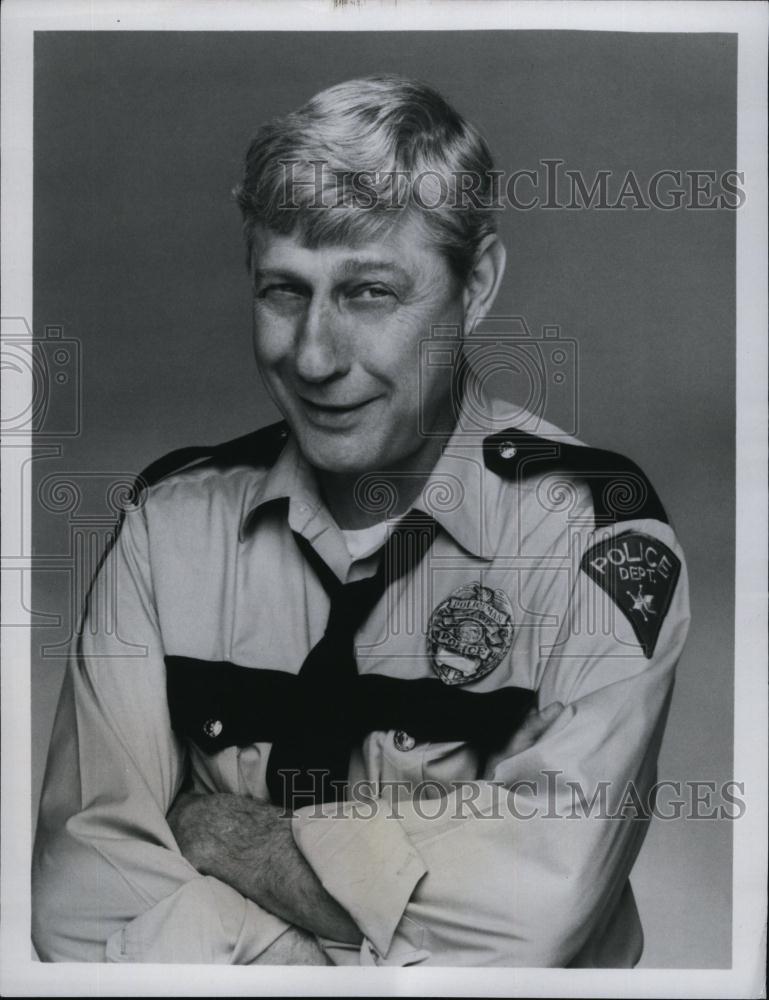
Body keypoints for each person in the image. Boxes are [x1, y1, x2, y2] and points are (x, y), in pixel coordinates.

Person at [32, 75, 690, 967]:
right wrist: (353, 943)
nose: (313, 355)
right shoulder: (168, 529)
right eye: (282, 292)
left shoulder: (592, 536)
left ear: (478, 284)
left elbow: (534, 914)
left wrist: (226, 847)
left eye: (369, 293)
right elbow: (77, 905)